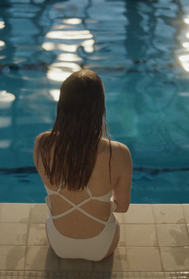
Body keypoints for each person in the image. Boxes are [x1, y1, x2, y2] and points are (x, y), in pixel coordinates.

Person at [33, 69, 132, 261]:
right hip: (102, 246)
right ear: (100, 108)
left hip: (58, 242)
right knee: (115, 221)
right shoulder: (118, 153)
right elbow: (122, 207)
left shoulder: (42, 145)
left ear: (61, 106)